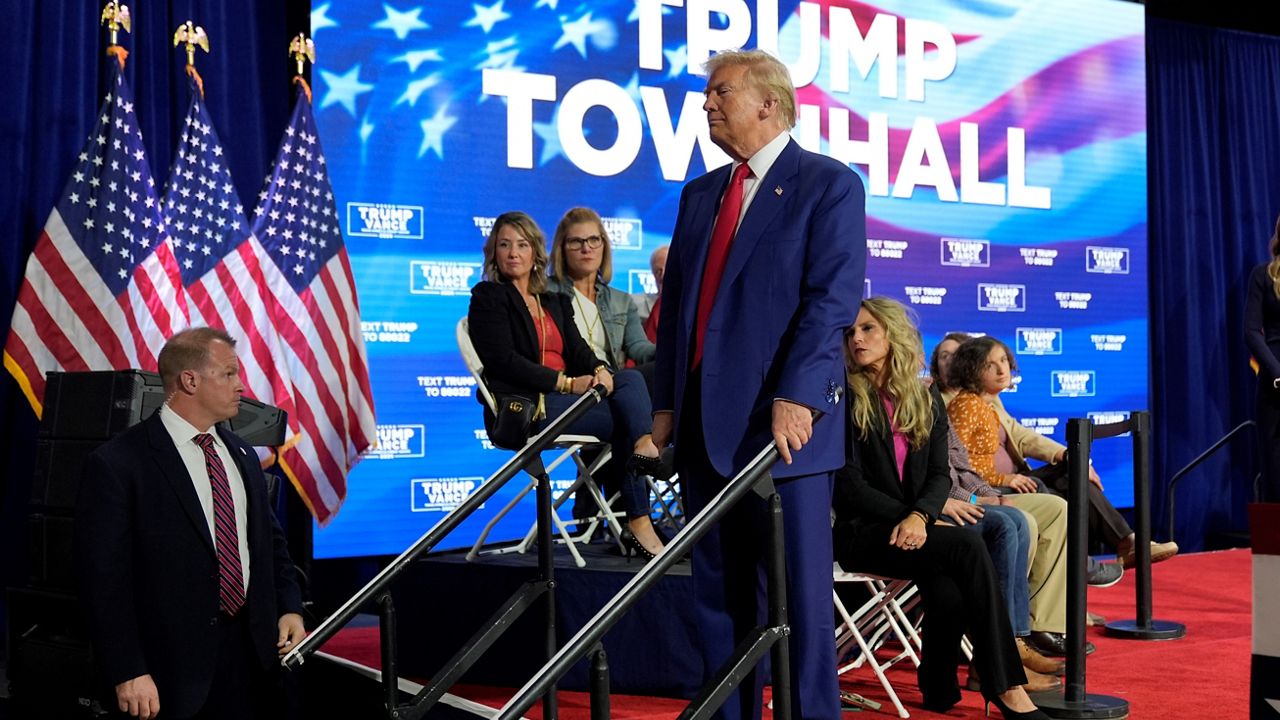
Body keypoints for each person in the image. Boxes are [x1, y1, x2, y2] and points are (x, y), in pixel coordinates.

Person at [651, 48, 866, 720]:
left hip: (786, 431)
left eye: (720, 93)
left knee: (797, 598)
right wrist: (664, 403)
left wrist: (797, 395)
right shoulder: (698, 195)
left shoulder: (828, 184)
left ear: (769, 102)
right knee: (718, 595)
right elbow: (679, 309)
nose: (707, 104)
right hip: (702, 430)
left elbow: (830, 303)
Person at [74, 327, 306, 720]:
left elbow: (271, 546)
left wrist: (290, 608)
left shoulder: (242, 454)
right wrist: (128, 669)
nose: (240, 385)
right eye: (229, 374)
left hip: (252, 664)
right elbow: (104, 582)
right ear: (189, 380)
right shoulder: (119, 463)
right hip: (167, 677)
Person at [834, 298, 1048, 719]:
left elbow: (939, 475)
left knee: (948, 581)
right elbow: (848, 486)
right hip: (862, 532)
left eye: (868, 329)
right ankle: (1005, 685)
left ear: (893, 334)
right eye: (850, 333)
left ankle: (939, 686)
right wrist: (909, 516)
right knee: (966, 548)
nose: (857, 339)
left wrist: (920, 516)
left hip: (913, 525)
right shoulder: (845, 396)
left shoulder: (924, 397)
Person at [468, 211, 668, 558]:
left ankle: (645, 453)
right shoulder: (488, 297)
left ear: (535, 255)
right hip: (527, 406)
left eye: (522, 244)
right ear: (494, 254)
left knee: (629, 379)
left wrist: (600, 369)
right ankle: (641, 512)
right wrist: (565, 383)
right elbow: (505, 362)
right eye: (504, 245)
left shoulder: (554, 302)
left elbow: (578, 349)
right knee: (627, 414)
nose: (514, 253)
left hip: (571, 401)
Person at [945, 336, 1178, 577]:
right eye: (989, 364)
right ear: (971, 370)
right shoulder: (966, 406)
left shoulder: (990, 401)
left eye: (1003, 360)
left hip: (1012, 479)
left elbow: (1022, 435)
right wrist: (1004, 479)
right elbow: (961, 464)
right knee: (1064, 484)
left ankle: (1123, 544)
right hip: (990, 489)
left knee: (1073, 470)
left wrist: (1071, 457)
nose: (1001, 369)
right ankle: (1096, 560)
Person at [547, 207, 656, 385]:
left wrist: (669, 351)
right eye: (576, 241)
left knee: (660, 370)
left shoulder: (621, 300)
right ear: (562, 249)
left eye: (593, 240)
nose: (586, 248)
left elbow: (638, 347)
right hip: (570, 381)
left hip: (611, 381)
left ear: (603, 246)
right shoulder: (546, 292)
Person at [1245, 214, 1280, 503]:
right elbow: (1251, 332)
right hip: (1274, 385)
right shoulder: (1263, 275)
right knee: (1274, 473)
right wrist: (1277, 372)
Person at [634, 243, 669, 342]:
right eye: (658, 271)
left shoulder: (691, 305)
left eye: (668, 267)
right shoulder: (635, 303)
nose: (663, 275)